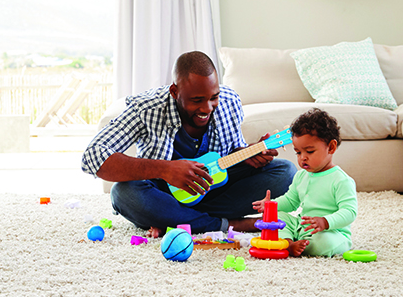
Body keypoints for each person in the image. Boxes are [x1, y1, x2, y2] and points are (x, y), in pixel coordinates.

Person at [81, 51, 295, 237]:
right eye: (197, 100)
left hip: (213, 190)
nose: (207, 108)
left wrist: (249, 155)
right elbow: (92, 156)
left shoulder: (229, 101)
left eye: (213, 97)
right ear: (175, 92)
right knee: (123, 193)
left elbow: (231, 155)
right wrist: (166, 170)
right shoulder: (146, 109)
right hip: (163, 194)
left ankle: (177, 221)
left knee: (285, 172)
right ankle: (226, 224)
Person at [252, 108, 357, 257]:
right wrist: (271, 206)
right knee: (279, 218)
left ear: (331, 147)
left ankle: (289, 245)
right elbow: (290, 201)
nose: (303, 158)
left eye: (309, 151)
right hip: (302, 227)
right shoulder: (301, 176)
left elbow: (349, 212)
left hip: (331, 231)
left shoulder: (341, 180)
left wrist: (325, 222)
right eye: (298, 152)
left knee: (324, 243)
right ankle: (289, 243)